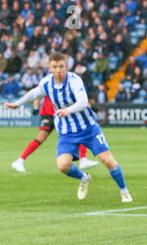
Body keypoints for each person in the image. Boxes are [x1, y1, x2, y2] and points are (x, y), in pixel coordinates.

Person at [4, 52, 132, 203]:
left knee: (108, 160)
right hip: (67, 132)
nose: (58, 70)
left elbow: (83, 102)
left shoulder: (74, 80)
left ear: (66, 66)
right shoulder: (46, 82)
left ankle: (124, 192)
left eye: (61, 66)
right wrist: (17, 103)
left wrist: (67, 110)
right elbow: (35, 92)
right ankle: (84, 178)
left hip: (89, 128)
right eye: (54, 67)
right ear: (50, 68)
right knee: (63, 166)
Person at [11, 96, 99, 173]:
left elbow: (78, 99)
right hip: (48, 114)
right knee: (41, 136)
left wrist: (88, 105)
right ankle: (19, 161)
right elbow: (38, 95)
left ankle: (83, 159)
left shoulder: (70, 82)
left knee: (79, 131)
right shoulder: (48, 82)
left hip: (62, 114)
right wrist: (36, 107)